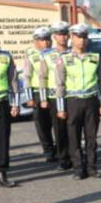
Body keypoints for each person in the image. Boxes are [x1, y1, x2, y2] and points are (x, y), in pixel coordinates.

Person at [54, 24, 101, 179]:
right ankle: (78, 168)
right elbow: (60, 84)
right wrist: (60, 108)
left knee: (91, 136)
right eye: (78, 37)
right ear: (72, 38)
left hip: (91, 100)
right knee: (74, 136)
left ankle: (92, 167)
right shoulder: (64, 59)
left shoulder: (95, 57)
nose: (82, 40)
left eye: (84, 37)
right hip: (73, 101)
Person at [0, 23, 20, 189]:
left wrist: (15, 103)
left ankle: (1, 173)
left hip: (1, 104)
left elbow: (13, 81)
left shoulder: (5, 56)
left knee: (2, 140)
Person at [38, 21, 73, 170]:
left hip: (71, 95)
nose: (63, 37)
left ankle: (75, 155)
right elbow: (42, 77)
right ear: (54, 36)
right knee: (59, 129)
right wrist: (43, 98)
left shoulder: (74, 53)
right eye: (59, 34)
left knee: (73, 127)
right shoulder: (47, 55)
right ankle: (63, 158)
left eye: (65, 34)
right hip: (54, 97)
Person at [23, 26, 56, 161]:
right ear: (35, 41)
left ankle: (60, 149)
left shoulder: (56, 54)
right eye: (42, 40)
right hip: (37, 93)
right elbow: (27, 77)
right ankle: (48, 150)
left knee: (58, 122)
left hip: (53, 92)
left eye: (48, 39)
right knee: (42, 124)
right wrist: (29, 97)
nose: (46, 42)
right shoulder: (31, 55)